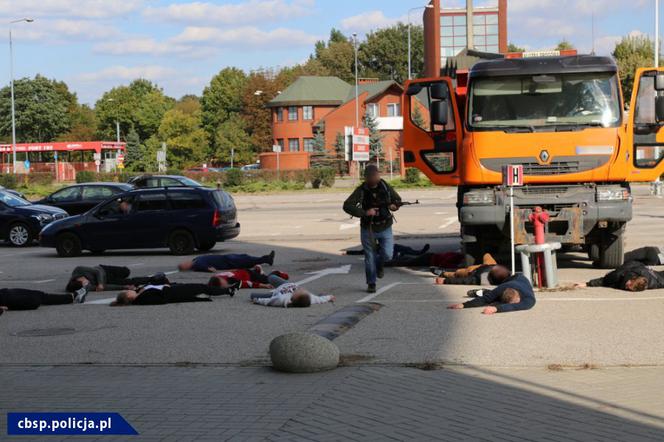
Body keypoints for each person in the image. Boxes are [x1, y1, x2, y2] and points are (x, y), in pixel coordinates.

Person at [343, 164, 402, 293]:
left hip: (385, 225)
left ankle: (380, 264)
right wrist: (365, 212)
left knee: (387, 255)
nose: (373, 179)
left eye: (375, 176)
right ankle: (371, 283)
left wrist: (394, 206)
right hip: (368, 228)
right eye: (370, 177)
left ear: (378, 175)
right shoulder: (361, 190)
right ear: (366, 178)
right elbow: (347, 205)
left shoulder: (385, 187)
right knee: (369, 257)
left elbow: (397, 200)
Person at [447, 273, 536, 315]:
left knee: (496, 302)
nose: (517, 303)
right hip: (510, 280)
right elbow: (485, 299)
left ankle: (486, 292)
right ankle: (487, 292)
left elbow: (514, 307)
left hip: (520, 279)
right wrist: (464, 305)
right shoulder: (503, 287)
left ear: (519, 296)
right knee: (491, 298)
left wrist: (496, 308)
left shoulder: (529, 298)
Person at [111, 283, 238, 306]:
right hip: (173, 293)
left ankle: (227, 290)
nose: (130, 290)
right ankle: (228, 291)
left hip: (173, 289)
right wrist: (165, 289)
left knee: (201, 287)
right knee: (202, 287)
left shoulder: (140, 294)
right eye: (128, 292)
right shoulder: (142, 299)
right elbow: (161, 300)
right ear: (129, 297)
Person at [66, 265, 168, 293]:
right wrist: (123, 287)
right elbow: (105, 287)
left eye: (84, 282)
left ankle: (122, 275)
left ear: (77, 279)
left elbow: (97, 272)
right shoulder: (85, 286)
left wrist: (100, 283)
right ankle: (154, 278)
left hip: (104, 270)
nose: (87, 283)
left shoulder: (79, 270)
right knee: (131, 282)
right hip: (108, 280)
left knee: (126, 271)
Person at [575, 260, 664, 292]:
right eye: (629, 285)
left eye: (630, 288)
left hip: (654, 275)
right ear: (632, 279)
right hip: (635, 264)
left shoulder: (652, 283)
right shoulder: (619, 274)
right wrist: (587, 284)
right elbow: (604, 281)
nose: (627, 287)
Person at [435, 254, 510, 286]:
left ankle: (443, 273)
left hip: (471, 271)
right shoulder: (505, 276)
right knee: (487, 255)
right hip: (487, 265)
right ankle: (443, 273)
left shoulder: (479, 279)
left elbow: (463, 280)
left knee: (456, 273)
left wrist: (445, 281)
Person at [178, 251, 275, 273]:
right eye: (184, 265)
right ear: (186, 267)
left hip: (227, 258)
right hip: (227, 262)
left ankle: (265, 259)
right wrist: (209, 270)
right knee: (246, 260)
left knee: (245, 258)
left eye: (184, 263)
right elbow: (208, 269)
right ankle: (266, 259)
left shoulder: (195, 260)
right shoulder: (197, 265)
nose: (185, 263)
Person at [0, 287, 87, 311]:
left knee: (39, 296)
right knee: (37, 299)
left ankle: (72, 296)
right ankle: (73, 296)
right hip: (8, 297)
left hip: (7, 295)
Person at [208, 266, 290, 289]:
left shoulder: (231, 279)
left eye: (223, 284)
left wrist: (263, 286)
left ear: (221, 280)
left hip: (249, 275)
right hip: (243, 271)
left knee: (267, 280)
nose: (225, 286)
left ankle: (276, 272)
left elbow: (247, 283)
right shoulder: (215, 277)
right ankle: (258, 270)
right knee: (260, 275)